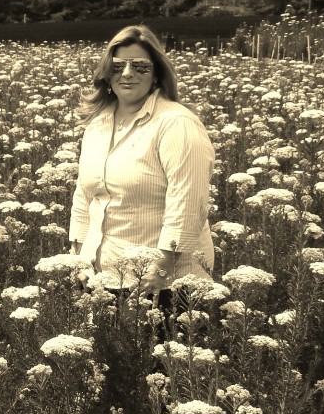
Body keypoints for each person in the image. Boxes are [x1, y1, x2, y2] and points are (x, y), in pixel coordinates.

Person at [68, 25, 214, 310]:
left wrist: (161, 268)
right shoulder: (97, 125)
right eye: (118, 65)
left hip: (166, 284)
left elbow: (188, 199)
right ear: (107, 73)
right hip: (103, 278)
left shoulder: (176, 123)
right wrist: (78, 259)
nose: (127, 73)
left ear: (157, 72)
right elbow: (85, 198)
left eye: (140, 66)